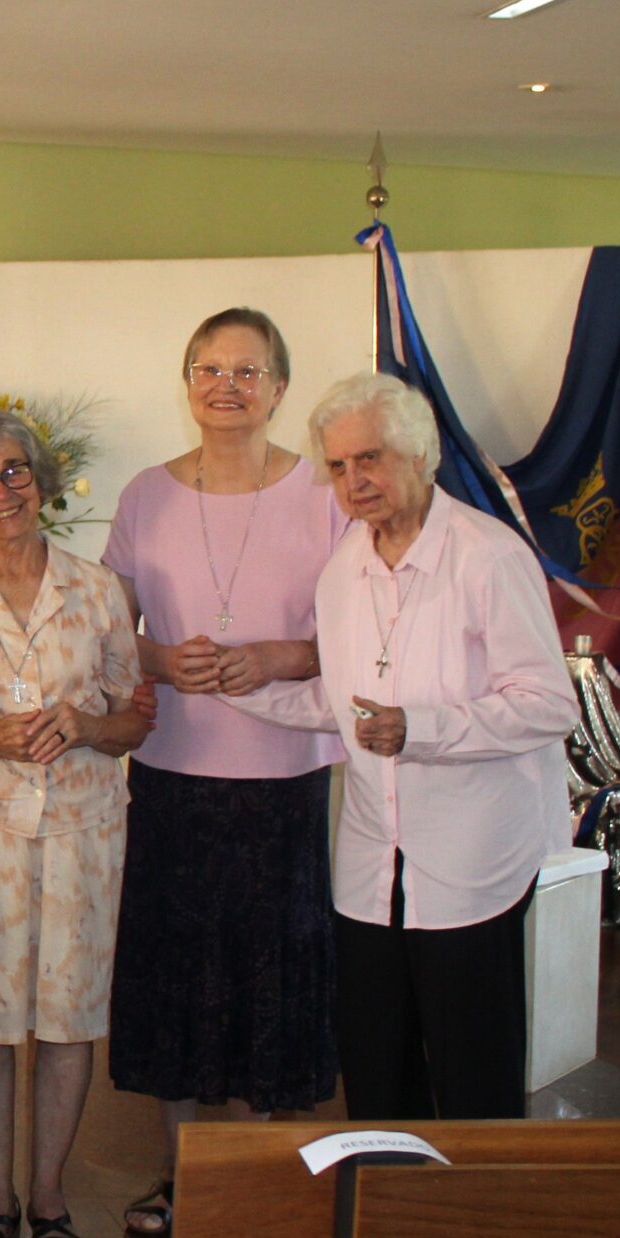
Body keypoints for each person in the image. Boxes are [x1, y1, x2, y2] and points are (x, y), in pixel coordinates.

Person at [224, 372, 577, 1124]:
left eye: (371, 459)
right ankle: (388, 1210)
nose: (355, 481)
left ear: (424, 455)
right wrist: (238, 689)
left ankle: (475, 1225)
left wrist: (423, 730)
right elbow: (344, 704)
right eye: (341, 466)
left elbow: (548, 704)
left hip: (471, 861)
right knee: (378, 1072)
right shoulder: (344, 569)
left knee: (473, 1073)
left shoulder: (488, 556)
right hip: (369, 867)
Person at [99, 310, 345, 1237]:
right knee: (175, 975)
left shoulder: (324, 492)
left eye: (248, 370)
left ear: (280, 387)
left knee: (264, 980)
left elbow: (358, 635)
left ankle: (248, 1177)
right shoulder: (146, 495)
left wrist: (284, 657)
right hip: (174, 774)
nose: (227, 385)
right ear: (187, 381)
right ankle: (179, 1174)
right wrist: (163, 663)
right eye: (208, 367)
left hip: (283, 779)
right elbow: (110, 626)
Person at [0, 411, 149, 1238]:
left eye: (14, 473)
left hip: (86, 834)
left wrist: (87, 727)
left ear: (43, 483)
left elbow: (132, 721)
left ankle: (50, 1200)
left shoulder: (98, 590)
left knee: (66, 1019)